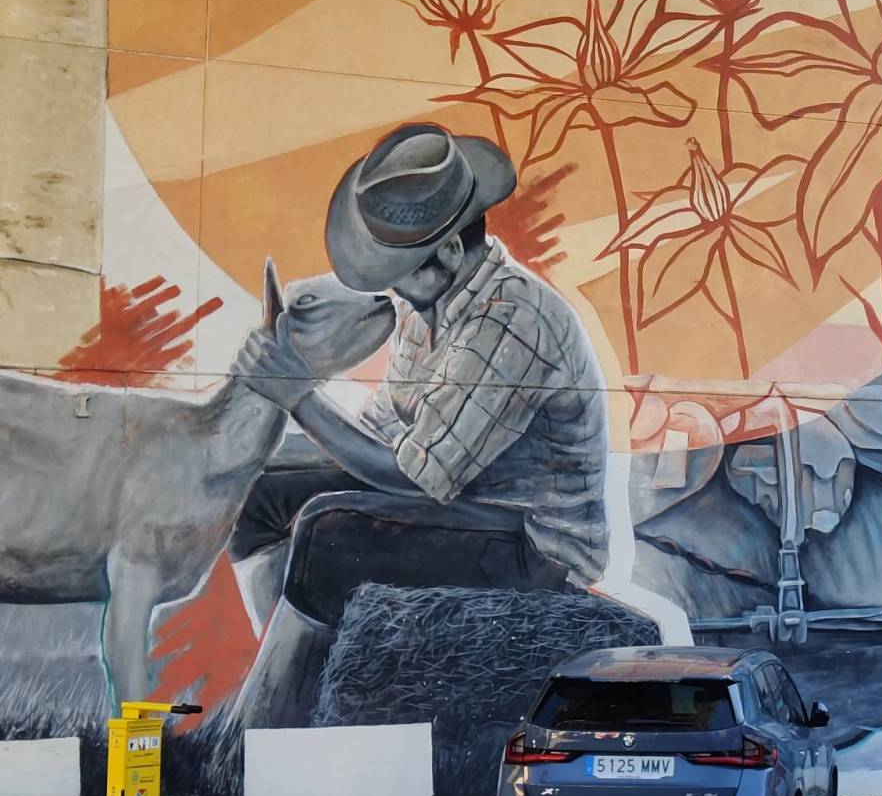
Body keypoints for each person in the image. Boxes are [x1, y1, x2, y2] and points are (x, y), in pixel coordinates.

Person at [225, 122, 611, 727]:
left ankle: (272, 719)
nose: (389, 289)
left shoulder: (510, 321)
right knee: (259, 489)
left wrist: (299, 396)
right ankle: (286, 672)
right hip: (462, 507)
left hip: (535, 544)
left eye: (398, 269)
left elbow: (416, 476)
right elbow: (382, 432)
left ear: (450, 251)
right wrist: (282, 420)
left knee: (329, 529)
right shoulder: (427, 305)